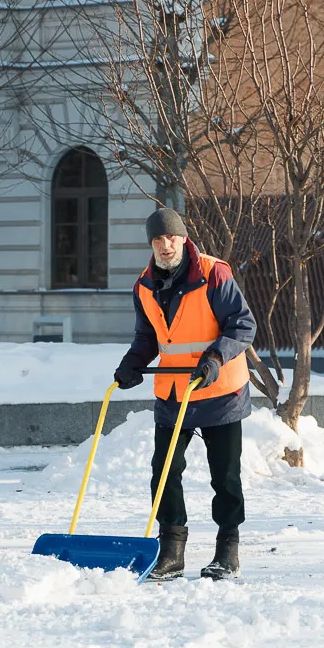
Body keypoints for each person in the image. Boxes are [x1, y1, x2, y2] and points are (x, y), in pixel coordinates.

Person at [114, 207, 257, 581]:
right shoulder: (144, 285)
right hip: (174, 391)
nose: (166, 246)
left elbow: (242, 325)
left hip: (220, 389)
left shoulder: (213, 273)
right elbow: (149, 338)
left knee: (224, 476)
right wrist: (132, 362)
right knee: (164, 470)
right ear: (151, 243)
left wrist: (213, 358)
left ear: (183, 238)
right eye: (158, 240)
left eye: (172, 238)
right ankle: (171, 550)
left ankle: (228, 550)